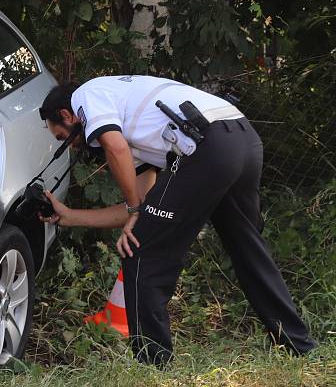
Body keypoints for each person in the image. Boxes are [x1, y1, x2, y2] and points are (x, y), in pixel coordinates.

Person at [37, 76, 317, 365]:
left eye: (64, 139)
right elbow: (142, 205)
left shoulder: (87, 93)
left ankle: (153, 365)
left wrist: (135, 211)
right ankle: (301, 348)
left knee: (139, 249)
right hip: (242, 139)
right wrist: (71, 217)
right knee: (248, 249)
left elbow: (116, 152)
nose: (73, 148)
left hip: (208, 147)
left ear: (68, 115)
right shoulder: (132, 118)